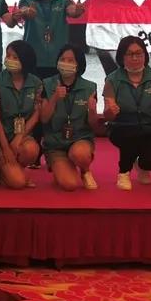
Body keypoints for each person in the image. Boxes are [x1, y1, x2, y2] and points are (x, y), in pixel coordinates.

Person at [103, 36, 151, 191]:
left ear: (145, 55)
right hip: (122, 127)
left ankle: (141, 165)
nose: (135, 58)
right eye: (130, 54)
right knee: (130, 135)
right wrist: (110, 111)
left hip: (150, 128)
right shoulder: (112, 79)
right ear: (122, 56)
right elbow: (108, 115)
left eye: (139, 53)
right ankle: (123, 172)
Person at [40, 44, 103, 191]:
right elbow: (43, 119)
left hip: (80, 139)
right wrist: (55, 98)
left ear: (78, 64)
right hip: (55, 143)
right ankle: (59, 166)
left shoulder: (90, 87)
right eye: (62, 59)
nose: (66, 63)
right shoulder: (46, 84)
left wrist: (92, 111)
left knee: (79, 154)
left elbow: (93, 125)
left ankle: (85, 171)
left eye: (70, 60)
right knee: (70, 185)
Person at [0, 41, 43, 189]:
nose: (9, 60)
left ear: (25, 60)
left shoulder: (36, 83)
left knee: (31, 150)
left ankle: (14, 169)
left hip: (22, 135)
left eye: (15, 57)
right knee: (17, 183)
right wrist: (6, 148)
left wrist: (19, 137)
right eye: (8, 55)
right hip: (0, 138)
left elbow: (36, 114)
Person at [15, 0, 86, 79]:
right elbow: (24, 10)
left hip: (58, 59)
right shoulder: (27, 1)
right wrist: (27, 12)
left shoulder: (63, 1)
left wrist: (77, 10)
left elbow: (72, 11)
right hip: (33, 58)